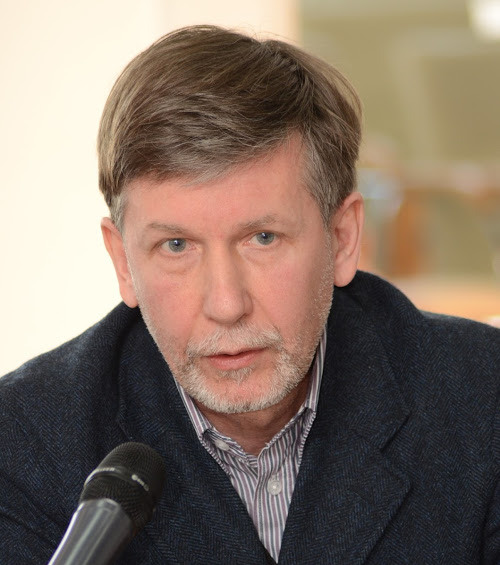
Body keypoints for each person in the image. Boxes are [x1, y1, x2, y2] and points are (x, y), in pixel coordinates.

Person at [0, 25, 499, 565]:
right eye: (176, 246)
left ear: (342, 238)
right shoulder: (24, 443)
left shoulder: (483, 401)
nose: (226, 304)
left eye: (263, 238)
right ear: (123, 261)